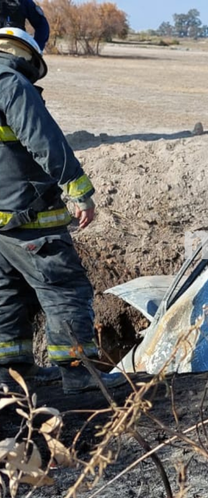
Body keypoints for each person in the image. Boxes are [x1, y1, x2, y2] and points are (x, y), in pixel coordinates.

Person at [0, 27, 126, 393]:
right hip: (27, 214)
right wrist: (79, 189)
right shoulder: (10, 82)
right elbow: (45, 141)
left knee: (7, 291)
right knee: (64, 287)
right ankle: (79, 373)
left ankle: (11, 374)